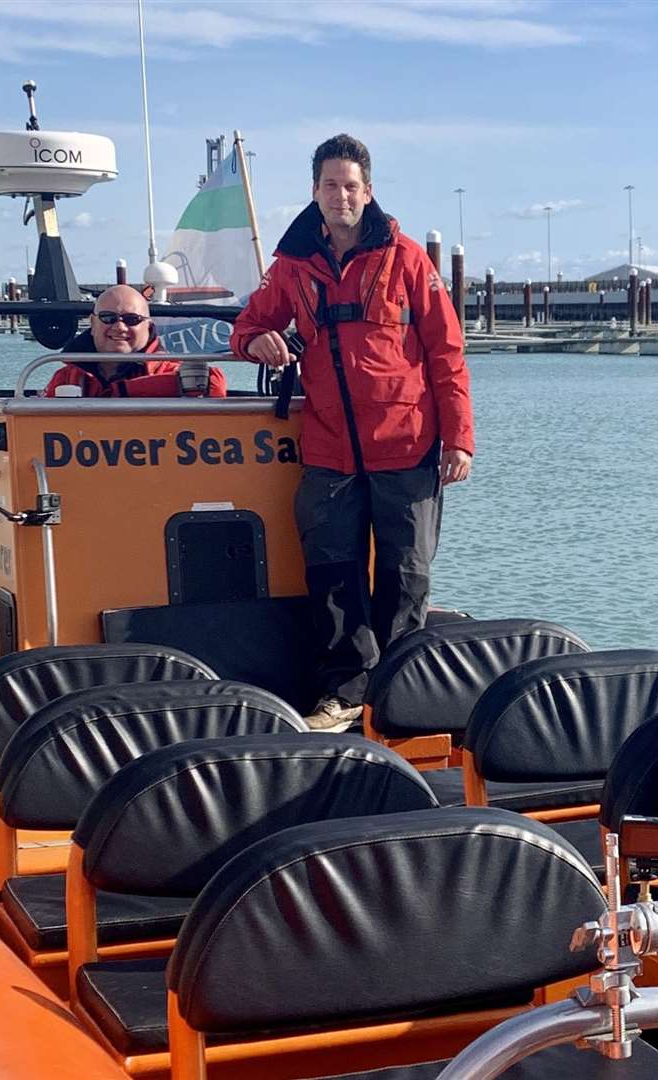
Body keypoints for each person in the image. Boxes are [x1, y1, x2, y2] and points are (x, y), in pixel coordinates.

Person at [232, 134, 474, 731]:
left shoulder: (408, 259)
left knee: (405, 576)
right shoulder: (291, 266)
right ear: (314, 191)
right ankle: (342, 695)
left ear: (368, 193)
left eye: (351, 186)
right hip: (330, 450)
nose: (341, 195)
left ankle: (400, 697)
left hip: (408, 446)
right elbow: (246, 328)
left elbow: (447, 353)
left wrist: (459, 438)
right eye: (330, 185)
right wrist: (256, 342)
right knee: (333, 574)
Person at [44, 284, 227, 398]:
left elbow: (214, 384)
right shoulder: (66, 377)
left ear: (148, 326)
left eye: (132, 319)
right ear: (93, 323)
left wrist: (121, 392)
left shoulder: (171, 372)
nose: (120, 327)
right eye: (108, 318)